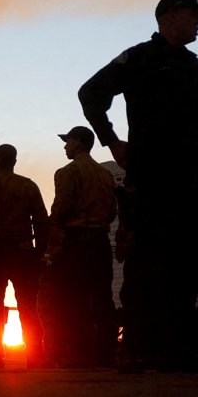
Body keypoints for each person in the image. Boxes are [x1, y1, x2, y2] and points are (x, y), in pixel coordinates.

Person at [79, 0, 198, 372]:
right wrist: (110, 141)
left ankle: (175, 349)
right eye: (193, 14)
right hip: (154, 177)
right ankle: (137, 348)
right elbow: (91, 93)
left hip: (191, 180)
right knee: (147, 261)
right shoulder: (139, 58)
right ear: (169, 16)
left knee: (186, 263)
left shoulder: (193, 66)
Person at [42, 126, 118, 368]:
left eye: (68, 141)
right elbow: (112, 212)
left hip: (77, 243)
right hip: (100, 242)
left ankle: (78, 353)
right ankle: (106, 353)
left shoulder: (68, 172)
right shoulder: (106, 175)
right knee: (103, 298)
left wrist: (53, 237)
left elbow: (60, 209)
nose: (65, 146)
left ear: (78, 142)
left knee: (71, 299)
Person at [0, 144, 50, 368]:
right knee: (28, 306)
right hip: (23, 252)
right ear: (14, 161)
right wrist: (40, 252)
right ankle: (36, 357)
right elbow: (42, 222)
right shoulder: (27, 186)